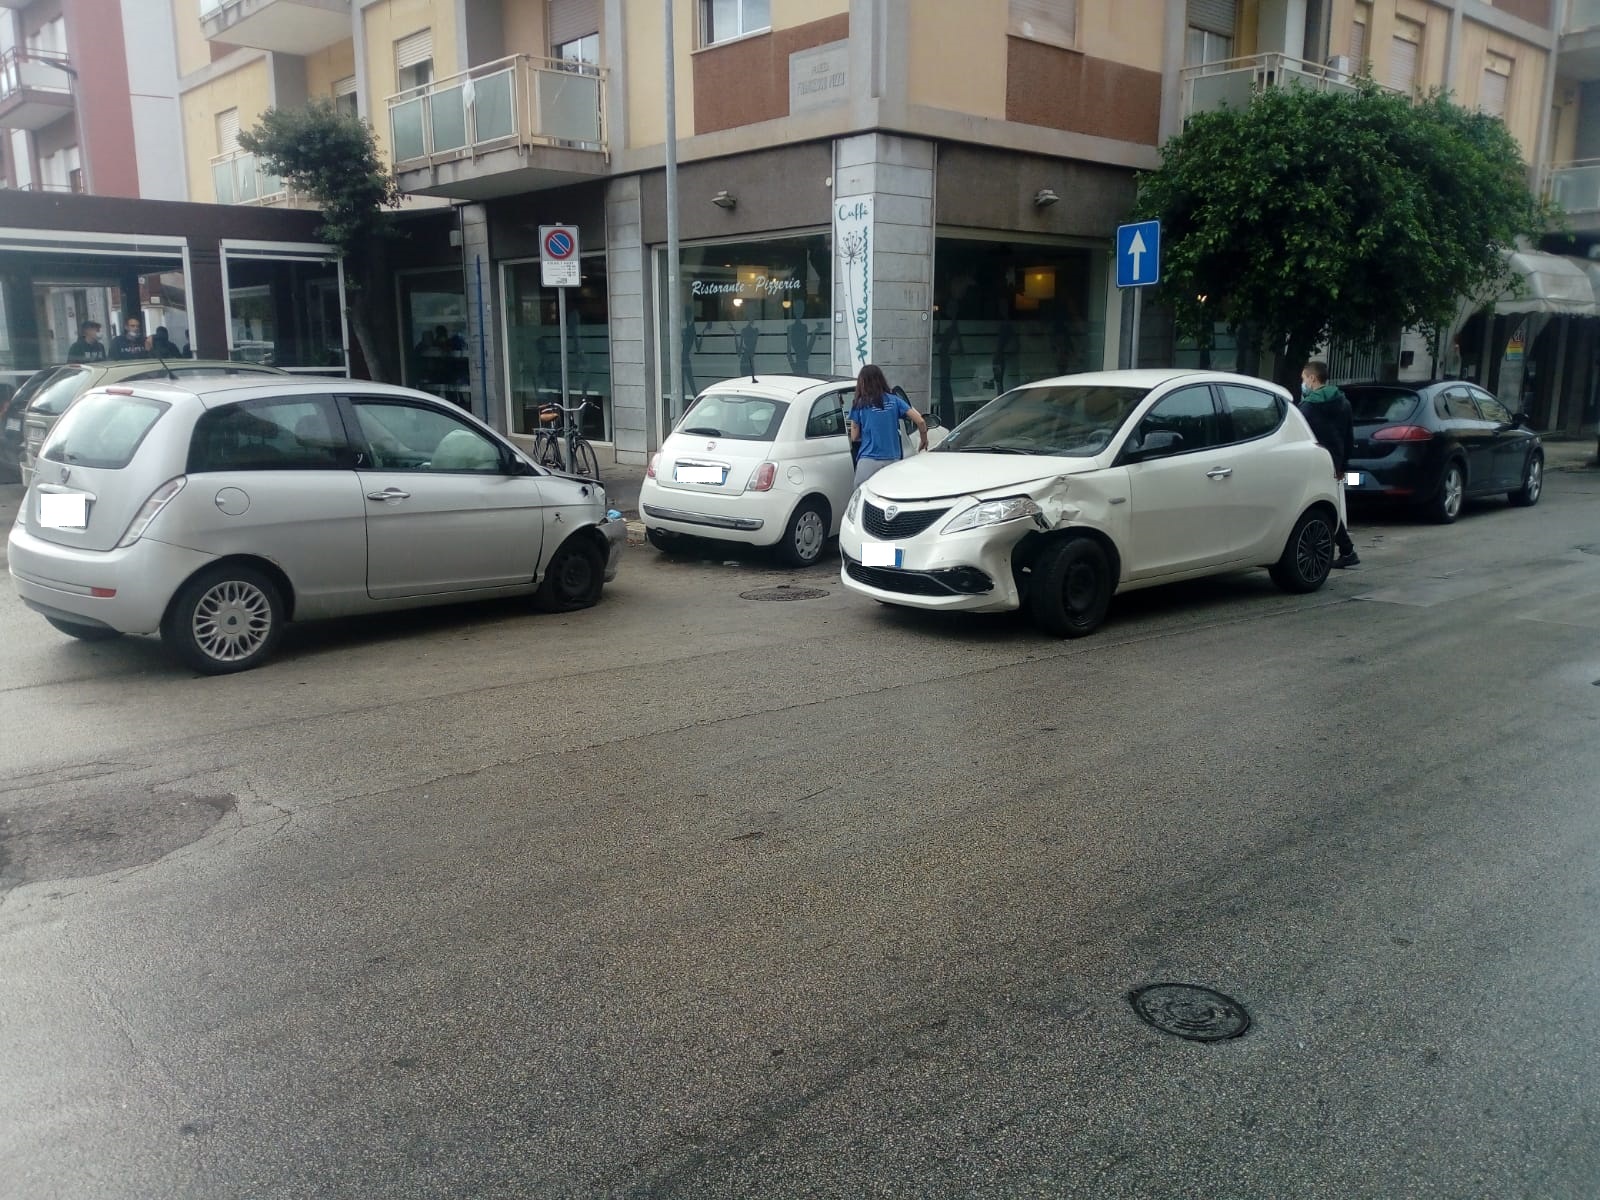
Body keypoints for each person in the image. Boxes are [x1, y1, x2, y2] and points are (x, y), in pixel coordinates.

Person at [1298, 360, 1360, 569]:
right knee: (1328, 504)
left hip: (1315, 461)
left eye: (1304, 379)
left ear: (1312, 378)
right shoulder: (1343, 402)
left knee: (1317, 506)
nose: (1303, 383)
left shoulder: (1307, 407)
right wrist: (1343, 466)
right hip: (1335, 461)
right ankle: (1347, 549)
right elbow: (1349, 437)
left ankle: (1346, 549)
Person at [847, 363, 928, 488]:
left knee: (862, 499)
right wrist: (924, 439)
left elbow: (854, 436)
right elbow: (921, 421)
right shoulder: (895, 401)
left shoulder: (859, 404)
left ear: (862, 383)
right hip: (892, 462)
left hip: (868, 462)